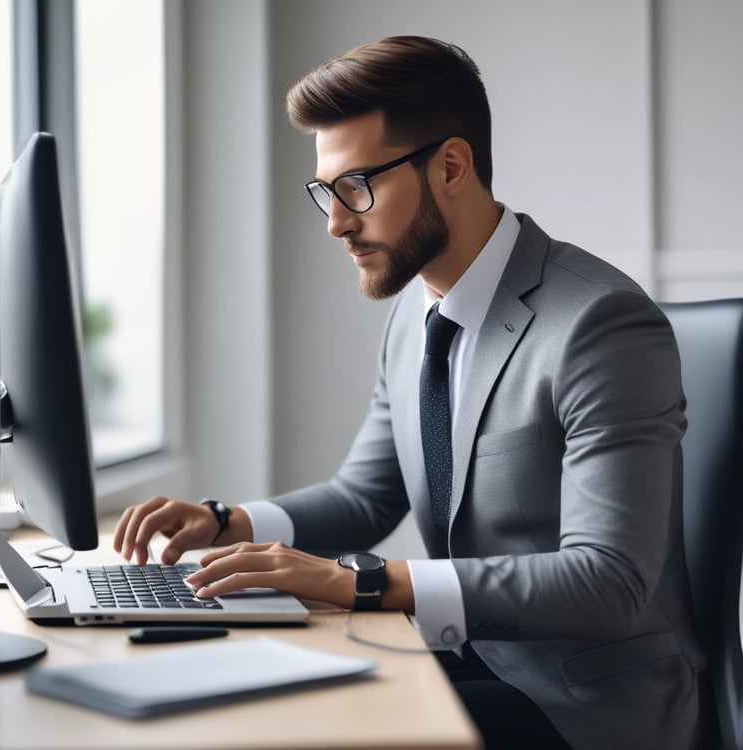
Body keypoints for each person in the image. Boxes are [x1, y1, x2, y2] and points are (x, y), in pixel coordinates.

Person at [114, 36, 718, 750]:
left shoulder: (598, 323)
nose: (337, 222)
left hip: (588, 709)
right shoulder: (415, 312)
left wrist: (360, 583)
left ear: (451, 166)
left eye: (358, 186)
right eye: (325, 192)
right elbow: (366, 497)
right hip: (463, 659)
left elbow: (608, 582)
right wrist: (227, 522)